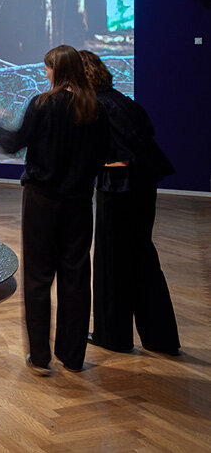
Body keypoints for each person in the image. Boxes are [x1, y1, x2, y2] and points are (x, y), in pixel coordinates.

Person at [0, 45, 108, 375]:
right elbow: (102, 154)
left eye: (47, 68)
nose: (45, 73)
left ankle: (40, 356)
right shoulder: (94, 107)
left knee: (38, 277)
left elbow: (16, 143)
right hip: (79, 202)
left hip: (42, 200)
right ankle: (73, 356)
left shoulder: (43, 103)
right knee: (76, 276)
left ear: (58, 70)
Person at [79, 50, 180, 355]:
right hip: (143, 186)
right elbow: (146, 136)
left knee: (112, 261)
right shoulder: (123, 101)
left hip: (120, 189)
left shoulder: (101, 106)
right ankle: (161, 339)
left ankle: (113, 337)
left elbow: (120, 157)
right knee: (142, 258)